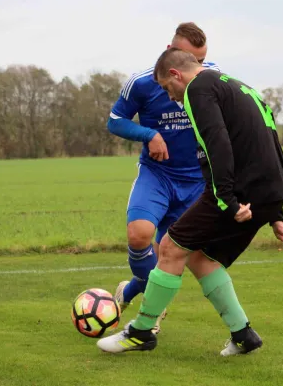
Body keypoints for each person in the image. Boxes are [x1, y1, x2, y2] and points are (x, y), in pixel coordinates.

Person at [97, 48, 283, 356]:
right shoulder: (237, 85)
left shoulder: (197, 89)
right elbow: (272, 142)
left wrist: (227, 201)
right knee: (201, 257)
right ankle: (243, 335)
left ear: (177, 75)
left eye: (168, 88)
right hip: (266, 191)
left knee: (170, 247)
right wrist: (276, 211)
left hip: (235, 192)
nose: (172, 96)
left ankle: (141, 332)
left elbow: (217, 143)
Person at [107, 22, 221, 334]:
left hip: (196, 181)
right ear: (172, 53)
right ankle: (151, 311)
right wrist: (148, 134)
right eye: (192, 60)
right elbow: (115, 121)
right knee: (139, 235)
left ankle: (128, 293)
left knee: (171, 254)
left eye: (202, 59)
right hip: (157, 175)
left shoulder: (211, 77)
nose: (198, 68)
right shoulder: (142, 82)